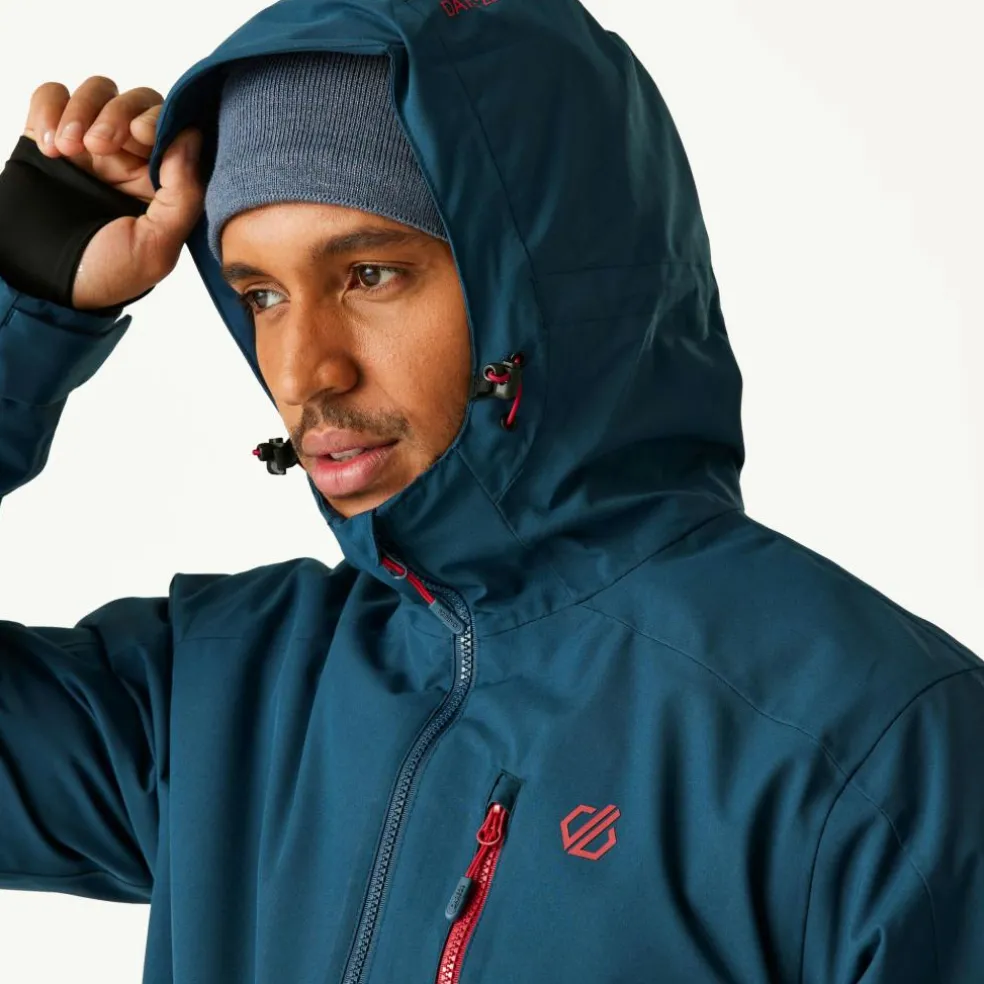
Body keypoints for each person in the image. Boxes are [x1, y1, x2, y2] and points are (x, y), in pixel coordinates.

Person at [1, 1, 981, 982]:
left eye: (370, 274)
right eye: (262, 295)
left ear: (551, 285)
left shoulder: (872, 747)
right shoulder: (224, 696)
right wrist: (24, 304)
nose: (304, 371)